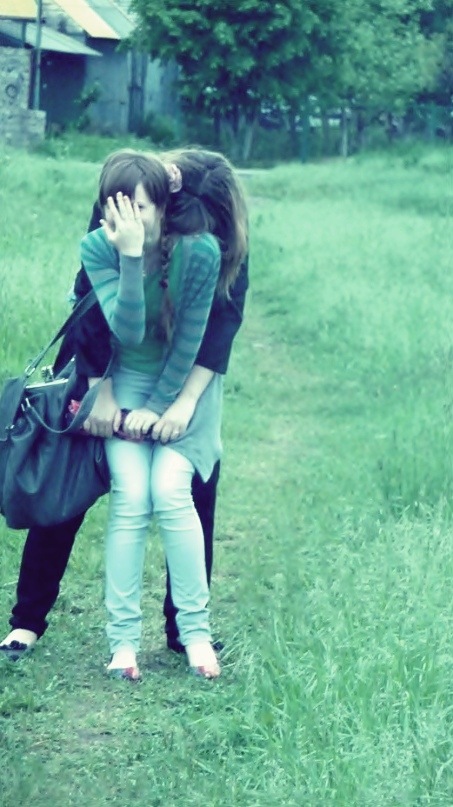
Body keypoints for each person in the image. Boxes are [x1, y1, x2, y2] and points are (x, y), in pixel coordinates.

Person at [0, 148, 249, 676]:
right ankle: (29, 619)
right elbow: (90, 307)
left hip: (184, 378)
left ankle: (186, 632)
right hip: (103, 364)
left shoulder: (215, 246)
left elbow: (216, 333)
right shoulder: (123, 202)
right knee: (67, 482)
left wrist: (179, 405)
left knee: (186, 490)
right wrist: (101, 387)